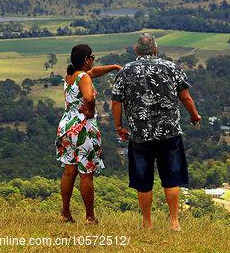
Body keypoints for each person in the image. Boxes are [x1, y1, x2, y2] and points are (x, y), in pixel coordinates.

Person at [110, 32, 201, 231]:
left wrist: (119, 127)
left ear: (136, 50)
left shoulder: (125, 71)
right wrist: (194, 116)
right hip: (169, 133)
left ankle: (147, 223)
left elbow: (116, 102)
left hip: (139, 134)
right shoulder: (171, 67)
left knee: (143, 180)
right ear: (156, 50)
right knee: (171, 177)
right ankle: (174, 223)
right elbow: (185, 96)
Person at [56, 44, 121, 224]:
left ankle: (65, 213)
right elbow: (89, 97)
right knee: (86, 174)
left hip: (66, 127)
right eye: (92, 57)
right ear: (86, 59)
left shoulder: (71, 76)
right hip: (82, 128)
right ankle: (90, 217)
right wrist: (91, 111)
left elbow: (93, 72)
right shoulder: (83, 77)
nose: (94, 60)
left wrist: (114, 67)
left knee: (69, 172)